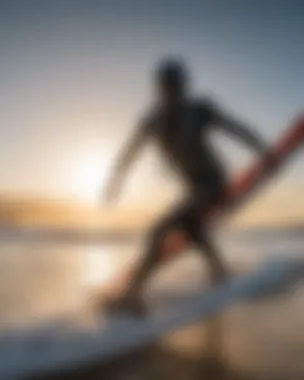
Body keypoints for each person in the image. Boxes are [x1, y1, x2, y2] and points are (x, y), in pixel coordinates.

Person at [102, 57, 272, 315]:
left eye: (177, 88)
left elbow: (235, 128)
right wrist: (115, 180)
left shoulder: (200, 111)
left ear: (184, 87)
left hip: (213, 183)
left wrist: (263, 150)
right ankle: (219, 271)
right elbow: (130, 152)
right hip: (193, 190)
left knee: (160, 229)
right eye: (167, 88)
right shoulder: (152, 121)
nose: (173, 94)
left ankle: (132, 296)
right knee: (191, 226)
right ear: (159, 90)